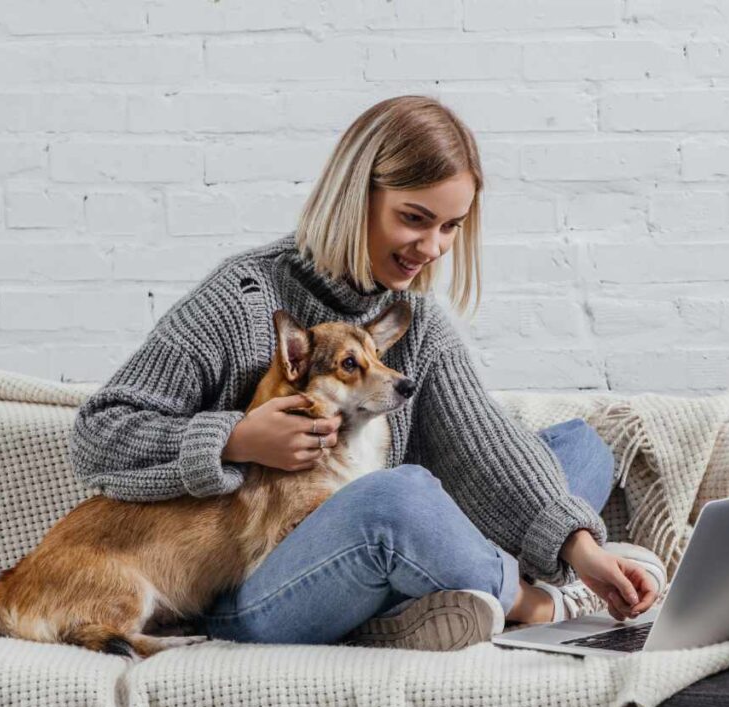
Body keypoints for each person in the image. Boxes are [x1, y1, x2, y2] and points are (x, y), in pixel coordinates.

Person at [68, 94, 663, 652]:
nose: (432, 247)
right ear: (357, 197)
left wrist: (578, 547)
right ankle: (529, 602)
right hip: (246, 587)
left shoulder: (419, 320)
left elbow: (485, 444)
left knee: (582, 449)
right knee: (398, 499)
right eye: (415, 218)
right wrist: (235, 439)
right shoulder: (240, 296)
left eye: (451, 227)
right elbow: (99, 435)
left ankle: (445, 581)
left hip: (368, 535)